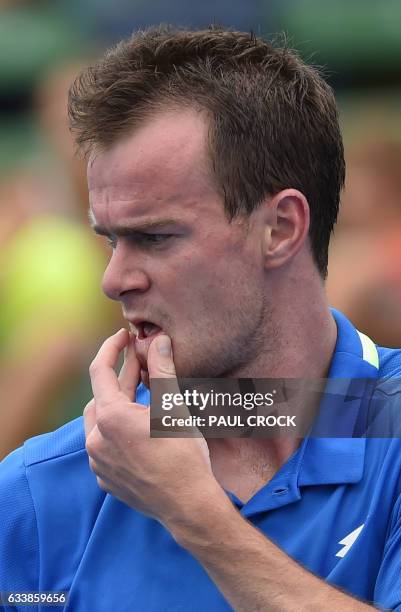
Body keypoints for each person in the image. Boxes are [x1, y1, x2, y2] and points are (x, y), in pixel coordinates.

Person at [1, 26, 401, 612]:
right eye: (110, 239)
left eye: (155, 237)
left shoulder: (387, 423)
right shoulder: (36, 492)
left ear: (282, 229)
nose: (114, 278)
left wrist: (195, 515)